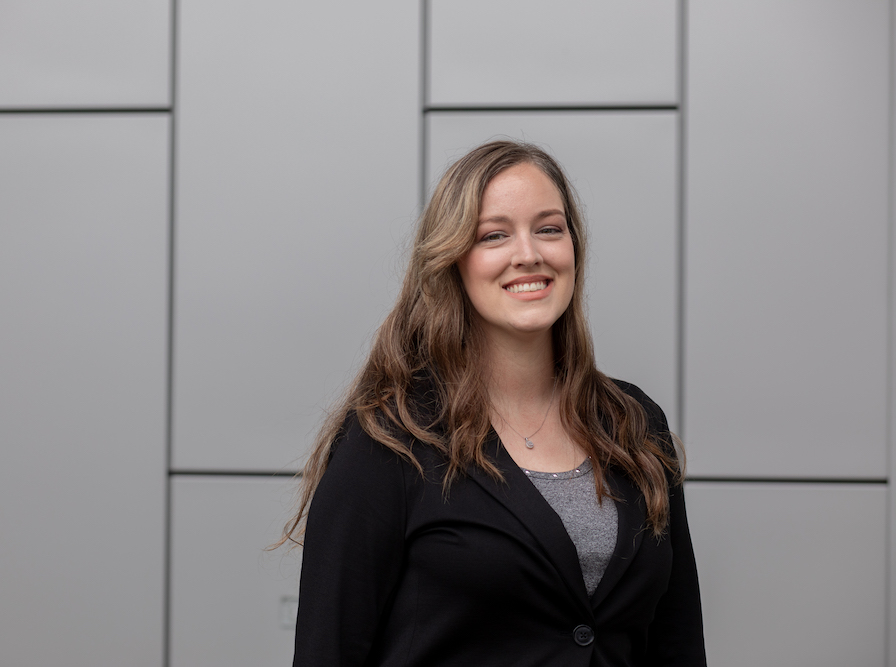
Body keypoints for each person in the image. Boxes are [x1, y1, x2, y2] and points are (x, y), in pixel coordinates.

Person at [282, 140, 706, 666]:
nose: (528, 253)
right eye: (494, 235)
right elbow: (329, 651)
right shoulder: (391, 439)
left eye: (549, 228)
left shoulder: (636, 425)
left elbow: (678, 643)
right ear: (452, 260)